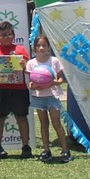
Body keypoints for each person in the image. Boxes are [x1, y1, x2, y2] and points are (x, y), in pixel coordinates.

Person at [0, 21, 32, 160]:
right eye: (2, 35)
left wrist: (25, 66)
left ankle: (26, 147)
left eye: (8, 34)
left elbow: (28, 70)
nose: (6, 37)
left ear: (13, 35)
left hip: (19, 89)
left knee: (22, 118)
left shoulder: (21, 50)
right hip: (0, 90)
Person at [27, 35, 70, 163]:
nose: (41, 48)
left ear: (48, 47)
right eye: (38, 45)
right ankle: (46, 150)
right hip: (38, 97)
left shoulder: (54, 61)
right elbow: (31, 82)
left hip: (52, 96)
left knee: (56, 124)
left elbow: (61, 79)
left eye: (44, 45)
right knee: (43, 125)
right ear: (34, 48)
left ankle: (65, 150)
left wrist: (54, 83)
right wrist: (34, 86)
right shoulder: (31, 63)